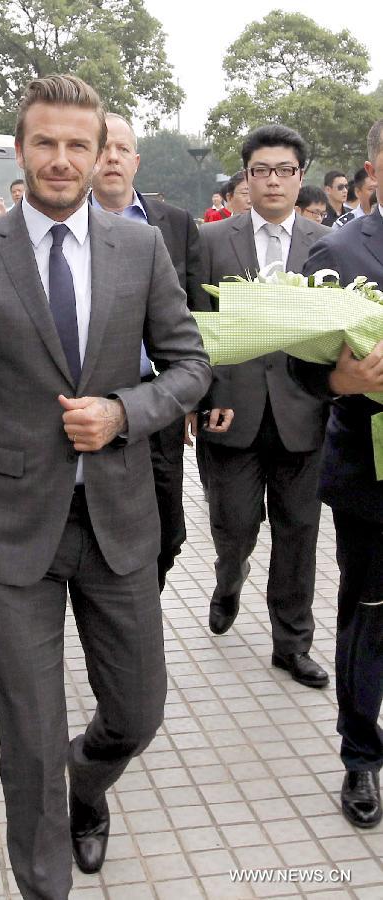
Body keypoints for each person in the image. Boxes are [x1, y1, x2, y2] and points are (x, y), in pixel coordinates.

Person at [0, 74, 211, 899]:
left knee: (138, 712)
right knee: (30, 740)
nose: (62, 159)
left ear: (102, 153)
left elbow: (189, 367)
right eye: (45, 142)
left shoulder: (139, 248)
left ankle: (86, 785)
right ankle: (44, 882)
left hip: (117, 522)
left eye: (80, 144)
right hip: (13, 535)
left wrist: (122, 411)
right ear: (20, 151)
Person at [196, 124, 331, 689]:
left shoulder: (324, 245)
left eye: (284, 170)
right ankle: (230, 578)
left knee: (299, 532)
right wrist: (205, 399)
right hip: (232, 412)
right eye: (261, 171)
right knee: (236, 528)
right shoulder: (210, 243)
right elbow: (187, 329)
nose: (273, 180)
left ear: (300, 176)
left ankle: (291, 642)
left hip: (305, 414)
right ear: (245, 178)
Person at [292, 117, 383, 830]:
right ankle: (359, 755)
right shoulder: (338, 250)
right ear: (372, 168)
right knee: (369, 616)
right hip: (371, 474)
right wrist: (340, 376)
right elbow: (299, 364)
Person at [90, 111, 218, 590]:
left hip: (158, 396)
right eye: (103, 148)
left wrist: (194, 398)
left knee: (166, 514)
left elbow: (198, 315)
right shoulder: (70, 226)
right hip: (92, 393)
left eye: (122, 149)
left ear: (136, 161)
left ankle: (148, 596)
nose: (113, 158)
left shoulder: (176, 224)